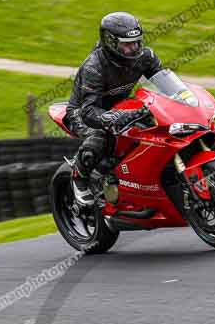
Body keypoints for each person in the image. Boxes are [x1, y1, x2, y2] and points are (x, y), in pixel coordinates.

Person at [65, 12, 164, 208]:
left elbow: (165, 83)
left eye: (136, 42)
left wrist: (185, 99)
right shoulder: (94, 67)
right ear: (110, 42)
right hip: (84, 112)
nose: (133, 48)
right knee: (101, 137)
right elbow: (89, 112)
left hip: (121, 106)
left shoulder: (146, 56)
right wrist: (117, 116)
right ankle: (79, 178)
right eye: (127, 44)